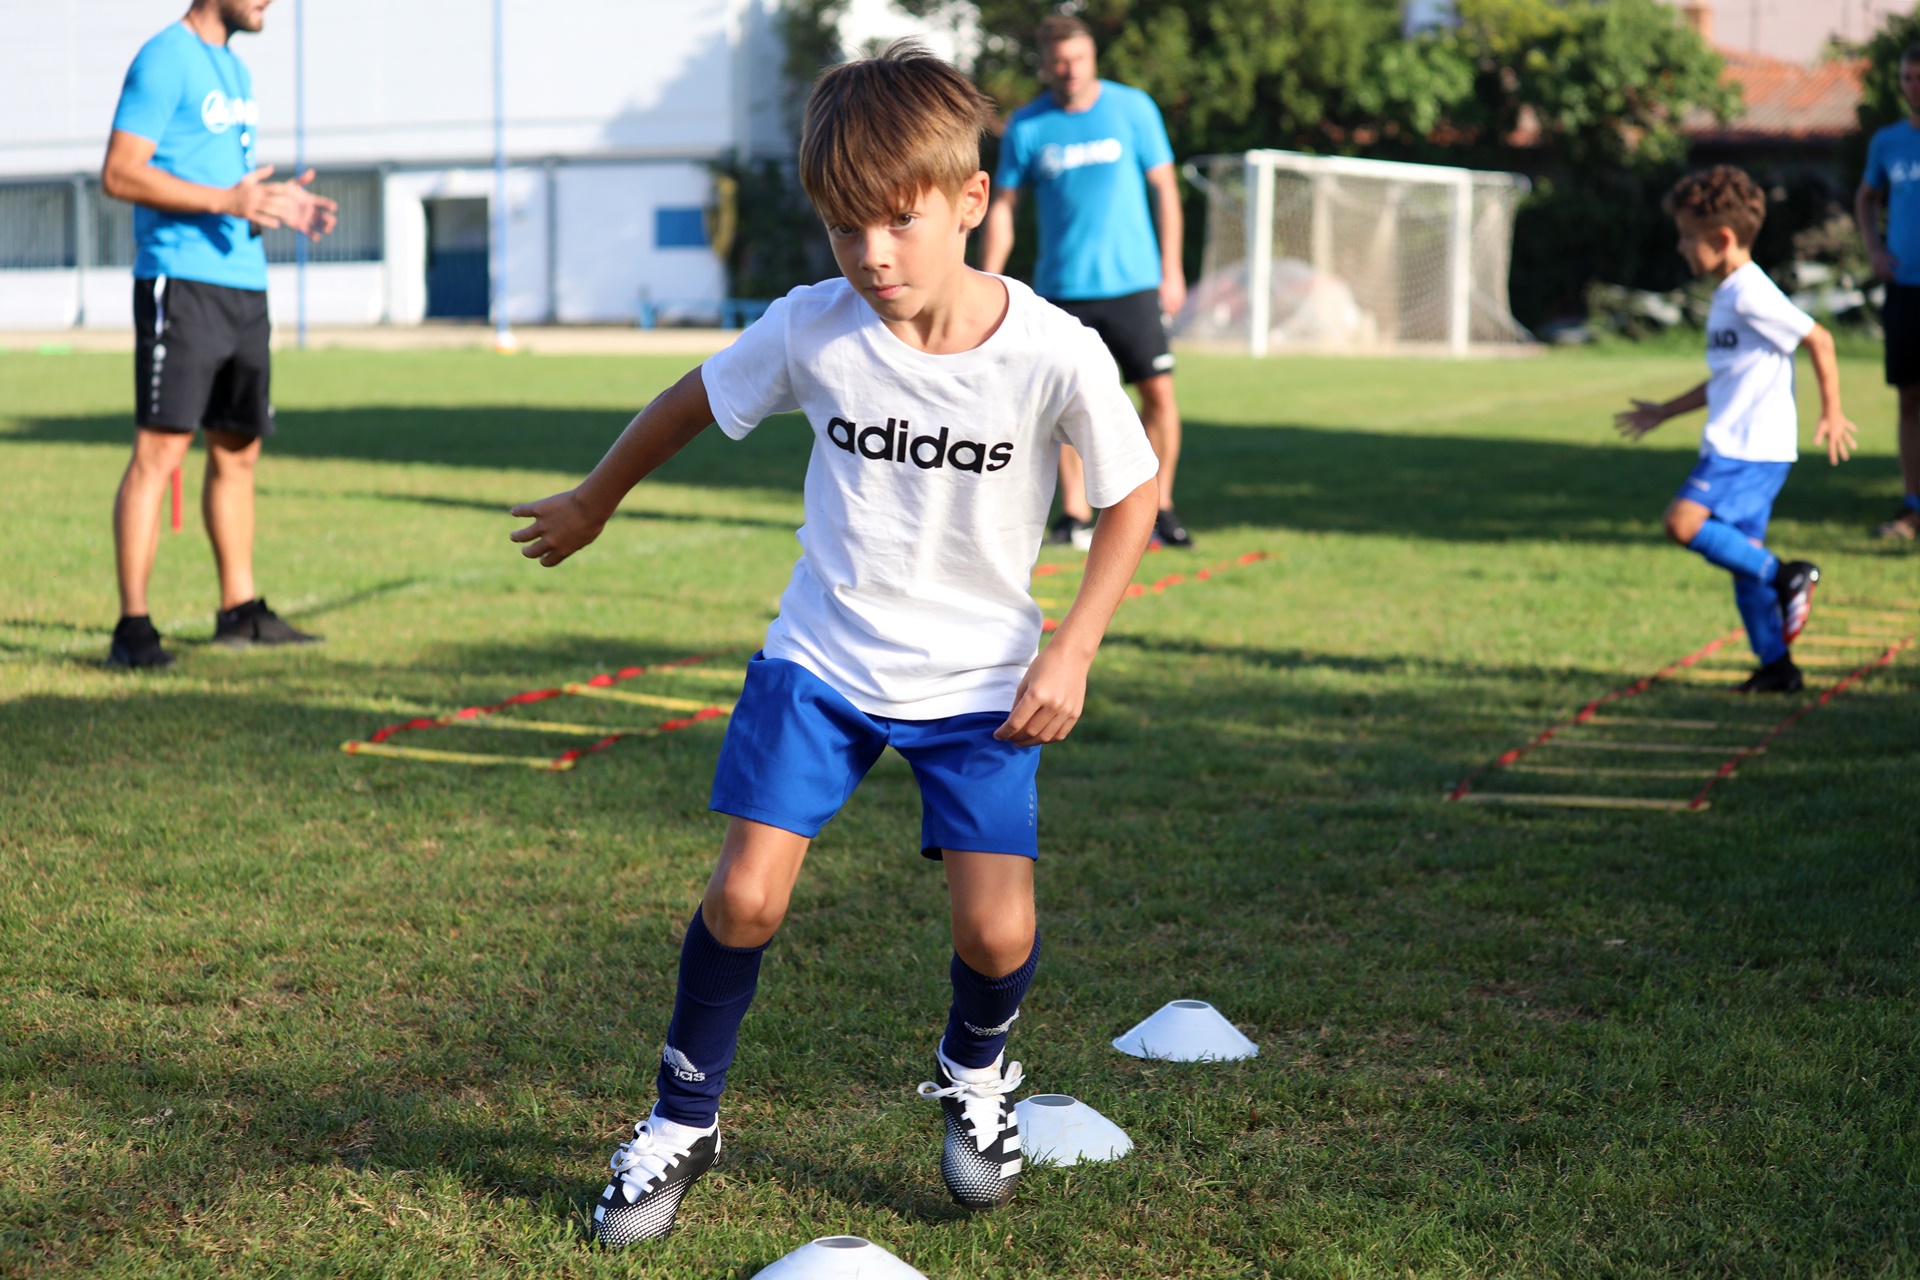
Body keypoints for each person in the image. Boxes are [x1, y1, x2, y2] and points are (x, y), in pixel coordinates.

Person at [508, 43, 1159, 1245]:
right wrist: (595, 498)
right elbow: (691, 399)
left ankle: (977, 1071)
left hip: (979, 678)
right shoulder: (815, 326)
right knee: (745, 897)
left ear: (971, 201)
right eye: (843, 226)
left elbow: (1132, 490)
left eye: (899, 222)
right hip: (823, 658)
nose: (870, 254)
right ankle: (682, 1117)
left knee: (998, 932)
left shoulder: (1053, 348)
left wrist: (1072, 647)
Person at [101, 0, 337, 668]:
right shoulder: (163, 58)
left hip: (244, 284)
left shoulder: (235, 70)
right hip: (181, 282)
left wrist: (271, 204)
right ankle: (133, 629)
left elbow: (227, 185)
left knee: (238, 452)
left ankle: (239, 611)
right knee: (160, 453)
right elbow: (119, 172)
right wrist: (227, 200)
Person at [1615, 167, 1857, 694]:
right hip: (1746, 446)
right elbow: (1727, 379)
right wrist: (1665, 411)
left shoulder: (1750, 293)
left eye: (1687, 236)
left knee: (1682, 522)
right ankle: (1778, 667)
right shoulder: (1729, 295)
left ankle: (1787, 575)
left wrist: (1832, 412)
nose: (1680, 247)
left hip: (1748, 449)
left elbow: (1819, 339)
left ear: (1722, 239)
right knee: (1743, 561)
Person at [981, 13, 1191, 550]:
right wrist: (988, 280)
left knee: (1158, 394)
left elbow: (1166, 190)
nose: (1069, 69)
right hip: (1062, 290)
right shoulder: (1028, 126)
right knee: (1065, 406)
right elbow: (1003, 206)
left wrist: (1171, 269)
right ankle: (1074, 513)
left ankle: (1160, 508)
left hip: (1133, 284)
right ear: (1045, 65)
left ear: (1092, 57)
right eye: (1059, 61)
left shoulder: (1133, 108)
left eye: (1078, 59)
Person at [1856, 42, 1920, 542]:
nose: (1913, 87)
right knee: (1910, 400)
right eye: (1906, 78)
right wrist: (1874, 249)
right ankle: (1912, 506)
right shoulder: (1888, 142)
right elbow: (1866, 199)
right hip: (1905, 291)